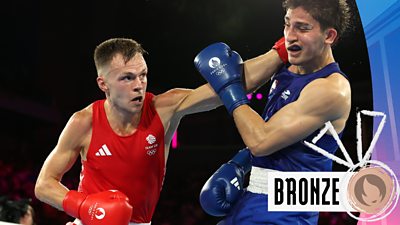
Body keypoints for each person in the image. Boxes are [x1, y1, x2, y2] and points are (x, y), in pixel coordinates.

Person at [34, 38, 285, 225]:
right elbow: (44, 184)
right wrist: (85, 207)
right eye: (127, 78)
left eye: (143, 75)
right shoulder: (84, 122)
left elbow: (230, 84)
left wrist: (282, 50)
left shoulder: (164, 108)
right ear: (103, 84)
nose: (139, 86)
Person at [195, 0, 352, 224]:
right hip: (254, 200)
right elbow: (281, 137)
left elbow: (261, 141)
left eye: (302, 27)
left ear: (329, 36)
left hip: (287, 212)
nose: (290, 35)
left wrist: (229, 89)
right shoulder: (287, 67)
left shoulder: (332, 89)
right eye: (287, 25)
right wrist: (240, 163)